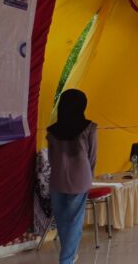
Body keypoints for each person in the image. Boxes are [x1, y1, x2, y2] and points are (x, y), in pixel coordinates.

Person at [47, 89, 97, 264]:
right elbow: (92, 156)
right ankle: (66, 259)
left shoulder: (52, 131)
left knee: (62, 221)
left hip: (57, 178)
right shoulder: (89, 127)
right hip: (80, 179)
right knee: (74, 221)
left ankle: (68, 256)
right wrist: (89, 176)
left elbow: (51, 159)